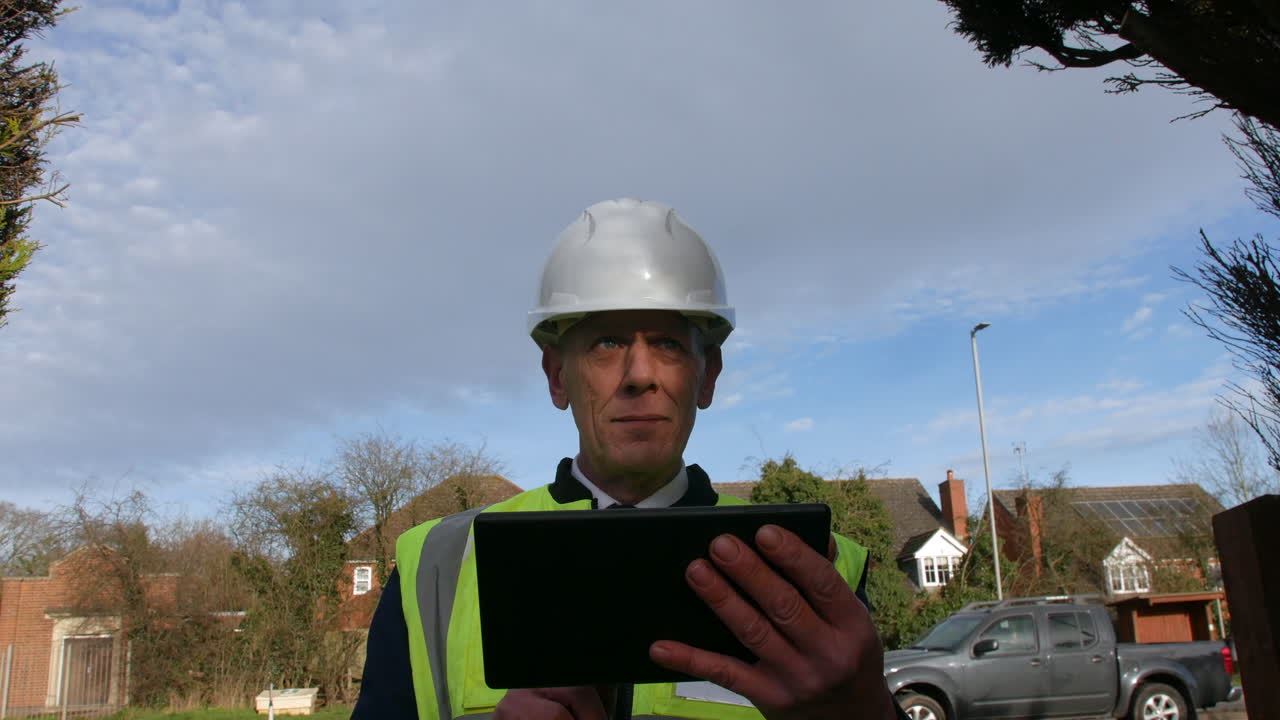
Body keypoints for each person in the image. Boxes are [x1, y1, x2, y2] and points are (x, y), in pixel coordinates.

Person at [352, 198, 903, 720]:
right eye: (607, 343)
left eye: (666, 343)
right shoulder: (438, 565)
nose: (640, 375)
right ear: (557, 375)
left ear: (706, 376)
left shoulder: (811, 569)